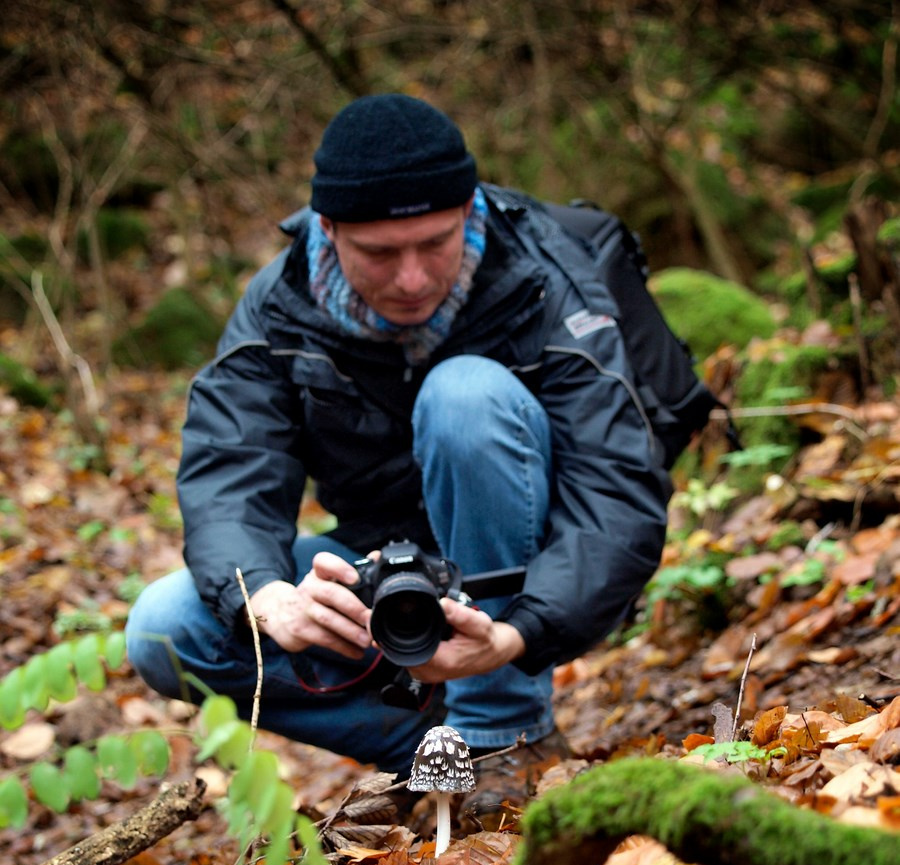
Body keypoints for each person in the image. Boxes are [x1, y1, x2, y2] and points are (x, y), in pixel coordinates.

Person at [125, 93, 671, 796]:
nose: (411, 279)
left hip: (527, 569)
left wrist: (515, 637)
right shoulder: (279, 305)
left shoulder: (544, 278)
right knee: (165, 629)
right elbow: (231, 469)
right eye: (379, 253)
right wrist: (263, 594)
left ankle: (504, 733)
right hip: (379, 567)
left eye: (436, 244)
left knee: (465, 396)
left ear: (471, 210)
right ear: (328, 229)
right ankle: (441, 752)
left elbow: (615, 489)